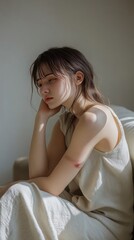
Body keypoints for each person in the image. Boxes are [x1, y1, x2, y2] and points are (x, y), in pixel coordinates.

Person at [0, 47, 133, 240]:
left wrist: (3, 189)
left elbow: (51, 187)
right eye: (40, 83)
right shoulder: (66, 123)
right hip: (79, 210)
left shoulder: (94, 119)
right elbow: (39, 176)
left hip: (107, 225)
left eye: (51, 80)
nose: (43, 89)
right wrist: (41, 119)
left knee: (20, 194)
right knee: (23, 194)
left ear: (78, 78)